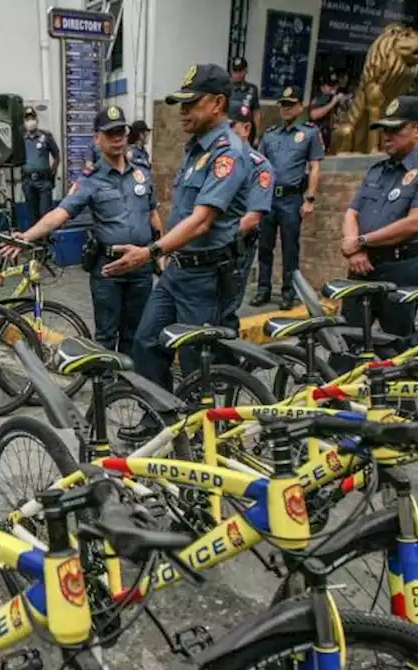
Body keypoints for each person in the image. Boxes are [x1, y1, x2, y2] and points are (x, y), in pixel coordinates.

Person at [102, 63, 251, 440]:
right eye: (180, 104)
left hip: (207, 276)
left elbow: (202, 221)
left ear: (218, 103)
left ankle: (209, 439)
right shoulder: (195, 149)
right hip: (178, 270)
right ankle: (163, 419)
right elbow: (181, 214)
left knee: (196, 362)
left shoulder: (228, 153)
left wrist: (150, 251)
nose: (183, 111)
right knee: (146, 342)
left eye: (191, 103)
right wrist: (165, 252)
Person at [7, 106, 162, 354]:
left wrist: (159, 255)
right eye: (110, 133)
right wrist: (27, 236)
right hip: (109, 270)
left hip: (141, 269)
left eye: (121, 131)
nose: (117, 137)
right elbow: (60, 213)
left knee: (136, 334)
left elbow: (153, 215)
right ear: (97, 138)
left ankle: (131, 388)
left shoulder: (142, 174)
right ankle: (107, 388)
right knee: (106, 336)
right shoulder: (90, 181)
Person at [342, 95, 418, 338]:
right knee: (348, 338)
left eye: (395, 129)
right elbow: (353, 211)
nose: (387, 137)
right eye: (384, 130)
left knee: (396, 341)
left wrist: (361, 241)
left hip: (402, 267)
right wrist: (355, 249)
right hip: (362, 264)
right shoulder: (378, 170)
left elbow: (416, 223)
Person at [252, 85, 324, 310]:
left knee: (290, 248)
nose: (286, 109)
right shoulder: (271, 134)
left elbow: (314, 167)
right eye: (283, 105)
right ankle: (263, 289)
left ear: (300, 107)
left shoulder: (310, 133)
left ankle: (288, 292)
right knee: (264, 246)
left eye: (290, 105)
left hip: (291, 199)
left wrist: (310, 199)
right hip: (268, 199)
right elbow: (260, 167)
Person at [226, 99, 274, 326]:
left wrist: (221, 236)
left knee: (228, 308)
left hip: (236, 247)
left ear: (245, 128)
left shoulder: (259, 166)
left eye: (229, 126)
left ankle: (225, 361)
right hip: (212, 246)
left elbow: (253, 217)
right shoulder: (219, 160)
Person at [21, 105, 62, 227]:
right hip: (28, 181)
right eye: (27, 119)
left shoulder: (46, 136)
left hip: (44, 181)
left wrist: (52, 172)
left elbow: (57, 156)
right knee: (32, 216)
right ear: (24, 121)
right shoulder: (21, 139)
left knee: (45, 215)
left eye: (32, 118)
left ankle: (46, 242)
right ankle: (34, 243)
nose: (30, 121)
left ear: (36, 120)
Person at [309, 71, 345, 151]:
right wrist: (332, 103)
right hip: (319, 137)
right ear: (322, 87)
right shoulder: (320, 98)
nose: (333, 88)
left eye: (335, 85)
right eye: (330, 86)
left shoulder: (336, 97)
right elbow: (313, 115)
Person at [229, 57, 262, 140]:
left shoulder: (252, 89)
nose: (238, 74)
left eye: (240, 71)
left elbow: (256, 112)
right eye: (235, 71)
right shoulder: (225, 88)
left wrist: (258, 134)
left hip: (246, 131)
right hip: (229, 130)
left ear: (246, 71)